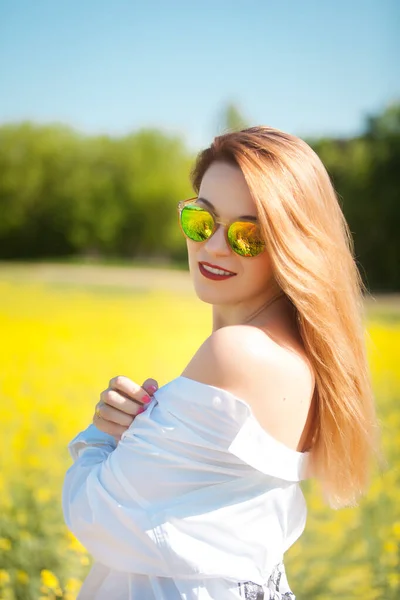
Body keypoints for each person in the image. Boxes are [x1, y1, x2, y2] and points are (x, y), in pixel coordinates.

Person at [62, 126, 381, 599]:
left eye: (249, 234)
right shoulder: (301, 358)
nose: (213, 246)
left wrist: (100, 439)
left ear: (293, 244)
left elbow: (94, 515)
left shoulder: (238, 353)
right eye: (200, 219)